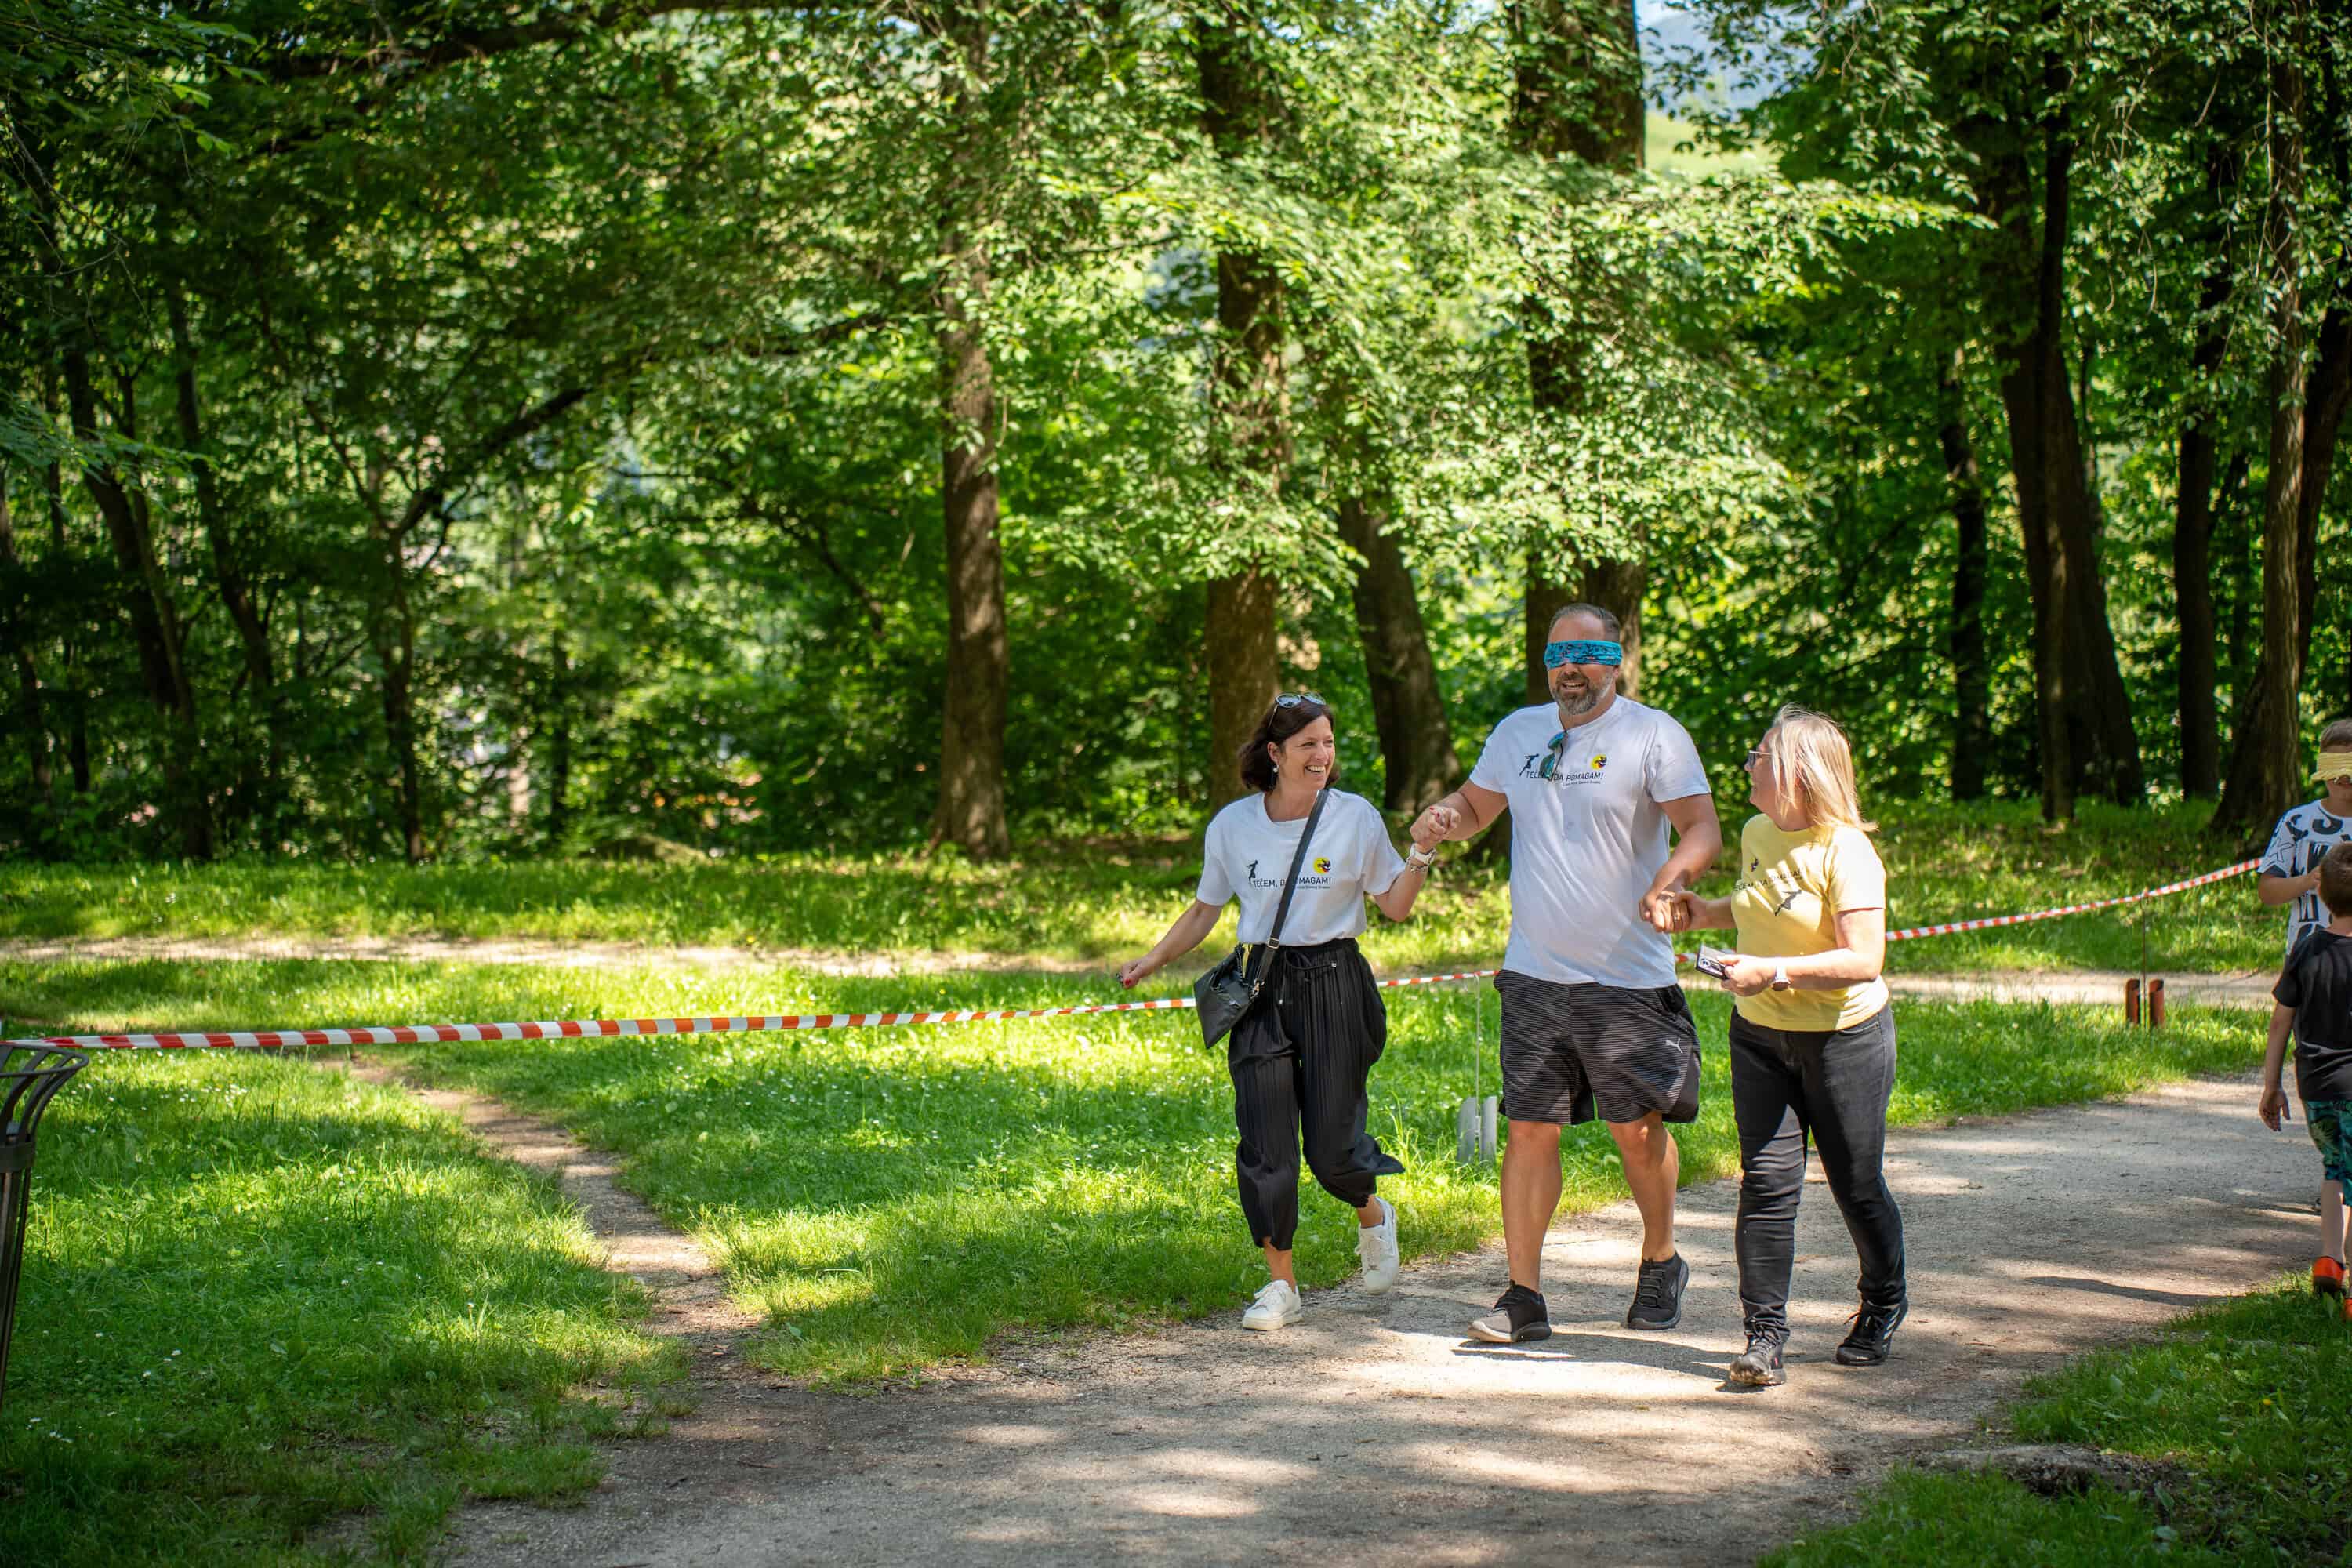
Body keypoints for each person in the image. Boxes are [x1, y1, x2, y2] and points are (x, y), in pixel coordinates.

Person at [1410, 604, 1722, 1343]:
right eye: (1558, 654)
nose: (1570, 668)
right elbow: (1476, 806)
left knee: (1634, 1131)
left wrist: (1673, 879)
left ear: (1616, 661)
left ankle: (1661, 1259)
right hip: (1534, 975)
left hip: (1627, 976)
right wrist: (1444, 816)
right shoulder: (1518, 733)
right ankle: (1523, 1294)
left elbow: (1702, 825)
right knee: (1529, 1131)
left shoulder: (1653, 733)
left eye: (1587, 653)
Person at [1120, 694, 1439, 1331]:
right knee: (1265, 1144)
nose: (1322, 757)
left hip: (1335, 982)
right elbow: (1206, 909)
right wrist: (1152, 959)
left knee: (1332, 1151)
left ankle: (1373, 1216)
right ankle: (1281, 1285)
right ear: (1275, 753)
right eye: (1307, 746)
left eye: (1328, 743)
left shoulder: (1354, 818)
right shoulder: (1233, 826)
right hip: (1260, 988)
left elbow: (1396, 906)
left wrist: (1422, 854)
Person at [1666, 706, 1904, 1386]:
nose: (1748, 765)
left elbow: (1864, 959)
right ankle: (1763, 1337)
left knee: (1856, 1187)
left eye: (1761, 755)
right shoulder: (1756, 831)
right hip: (1761, 1036)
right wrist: (1699, 912)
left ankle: (1883, 1302)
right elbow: (1757, 911)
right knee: (1767, 1186)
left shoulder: (1848, 850)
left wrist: (1773, 971)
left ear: (1797, 773)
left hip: (1843, 1040)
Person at [2259, 841, 2352, 1320]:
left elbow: (2280, 1022)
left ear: (2324, 895)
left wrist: (2271, 1085)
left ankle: (2331, 1261)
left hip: (2317, 1088)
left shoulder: (2307, 948)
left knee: (2337, 1169)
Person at [2258, 718, 2352, 958]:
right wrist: (2308, 881)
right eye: (2335, 765)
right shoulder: (2297, 822)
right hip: (2308, 958)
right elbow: (2267, 891)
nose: (2343, 776)